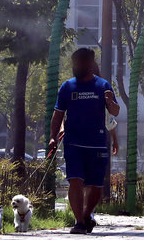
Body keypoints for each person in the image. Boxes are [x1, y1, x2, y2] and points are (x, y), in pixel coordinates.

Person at [49, 48, 120, 234]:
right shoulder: (67, 87)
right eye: (75, 63)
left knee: (96, 185)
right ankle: (79, 222)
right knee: (75, 180)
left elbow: (114, 113)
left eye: (80, 63)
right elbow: (58, 115)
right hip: (73, 143)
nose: (76, 66)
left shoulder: (103, 85)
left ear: (89, 65)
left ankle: (87, 215)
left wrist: (110, 102)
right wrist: (52, 137)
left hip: (97, 143)